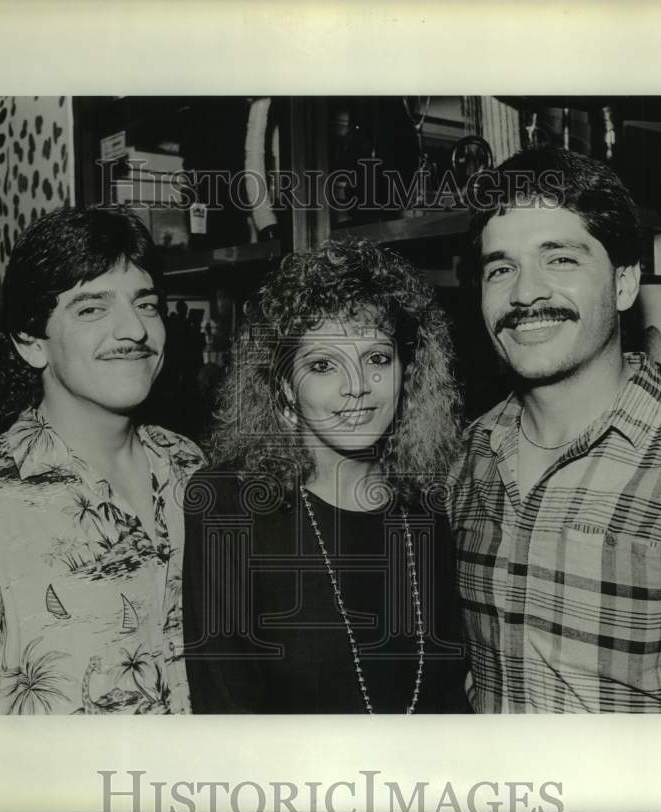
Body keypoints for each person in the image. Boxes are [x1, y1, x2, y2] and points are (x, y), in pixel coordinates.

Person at [450, 146, 661, 713]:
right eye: (501, 268)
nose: (526, 293)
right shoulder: (466, 457)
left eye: (561, 260)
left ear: (625, 284)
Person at [0, 206, 204, 714]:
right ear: (30, 344)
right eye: (91, 309)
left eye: (147, 303)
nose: (133, 329)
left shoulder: (189, 465)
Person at [183, 238, 470, 714]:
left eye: (377, 358)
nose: (357, 386)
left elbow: (446, 697)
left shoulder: (425, 502)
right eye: (322, 365)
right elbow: (227, 715)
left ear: (408, 373)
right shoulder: (228, 505)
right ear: (285, 389)